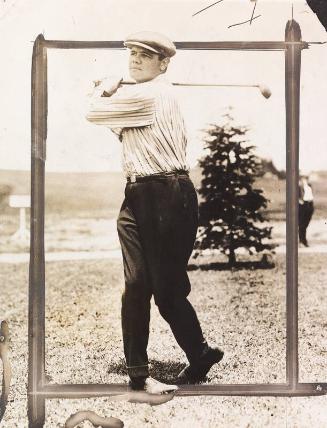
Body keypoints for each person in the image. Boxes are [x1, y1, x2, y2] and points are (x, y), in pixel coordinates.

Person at [86, 31, 223, 394]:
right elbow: (118, 128)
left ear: (163, 64)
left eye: (145, 55)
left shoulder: (152, 94)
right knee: (136, 284)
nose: (135, 59)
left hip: (168, 193)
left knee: (166, 292)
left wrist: (106, 88)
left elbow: (93, 112)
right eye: (131, 53)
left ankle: (200, 354)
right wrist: (113, 89)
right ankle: (138, 374)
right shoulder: (143, 97)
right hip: (136, 192)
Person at [298, 174, 314, 247]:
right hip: (303, 205)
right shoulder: (299, 187)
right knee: (302, 224)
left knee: (306, 224)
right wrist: (300, 201)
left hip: (310, 204)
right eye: (304, 178)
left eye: (306, 178)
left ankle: (304, 241)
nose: (305, 180)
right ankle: (302, 241)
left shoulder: (309, 186)